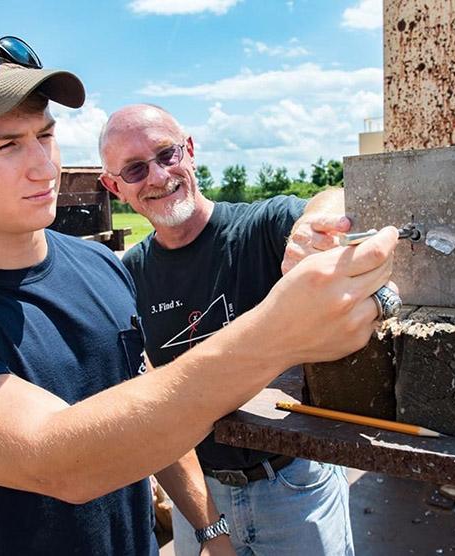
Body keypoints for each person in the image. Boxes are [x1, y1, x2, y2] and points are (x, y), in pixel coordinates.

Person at [0, 33, 398, 555]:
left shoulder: (99, 267)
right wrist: (278, 334)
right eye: (5, 145)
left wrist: (211, 529)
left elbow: (151, 403)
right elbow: (62, 460)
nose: (44, 166)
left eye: (45, 136)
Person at [99, 104, 358, 555]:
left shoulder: (258, 228)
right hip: (198, 496)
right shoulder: (129, 276)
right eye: (136, 170)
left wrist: (311, 230)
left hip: (292, 486)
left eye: (166, 154)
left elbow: (331, 199)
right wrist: (207, 527)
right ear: (115, 187)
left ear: (191, 151)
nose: (158, 177)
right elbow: (151, 408)